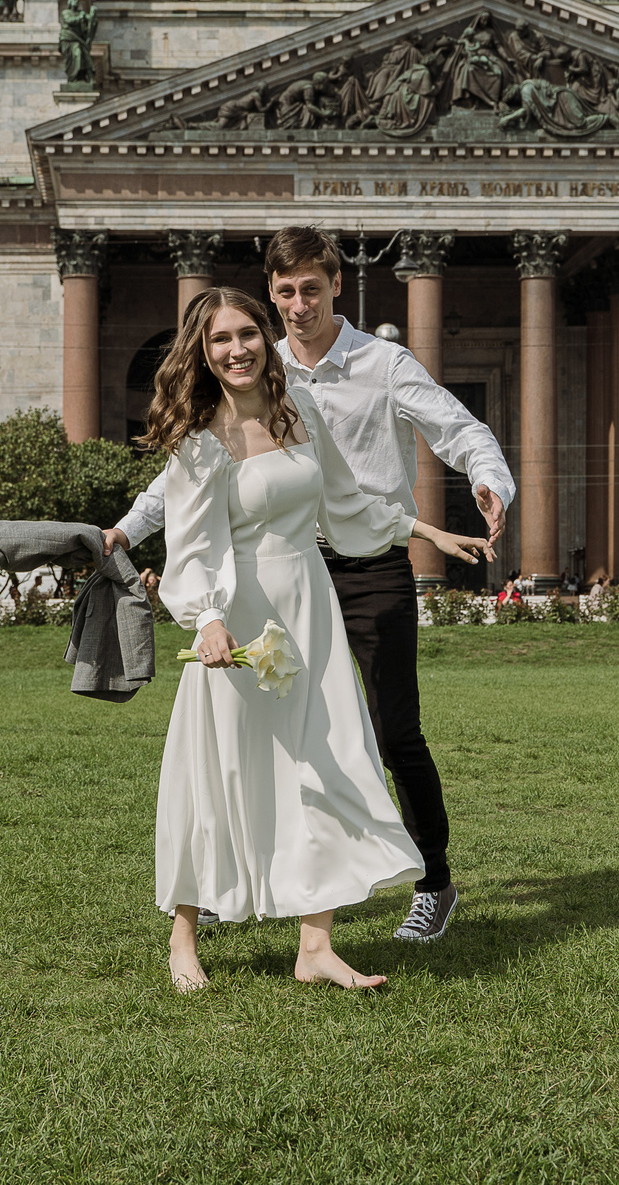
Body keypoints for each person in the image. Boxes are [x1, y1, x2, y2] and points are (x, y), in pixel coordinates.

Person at [109, 226, 515, 945]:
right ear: (271, 295)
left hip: (367, 564)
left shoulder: (381, 363)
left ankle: (434, 882)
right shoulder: (256, 372)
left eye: (312, 289)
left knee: (389, 731)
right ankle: (260, 891)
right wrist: (126, 529)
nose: (299, 305)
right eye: (286, 291)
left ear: (336, 285)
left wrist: (483, 481)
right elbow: (188, 476)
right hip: (267, 576)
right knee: (260, 740)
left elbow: (456, 428)